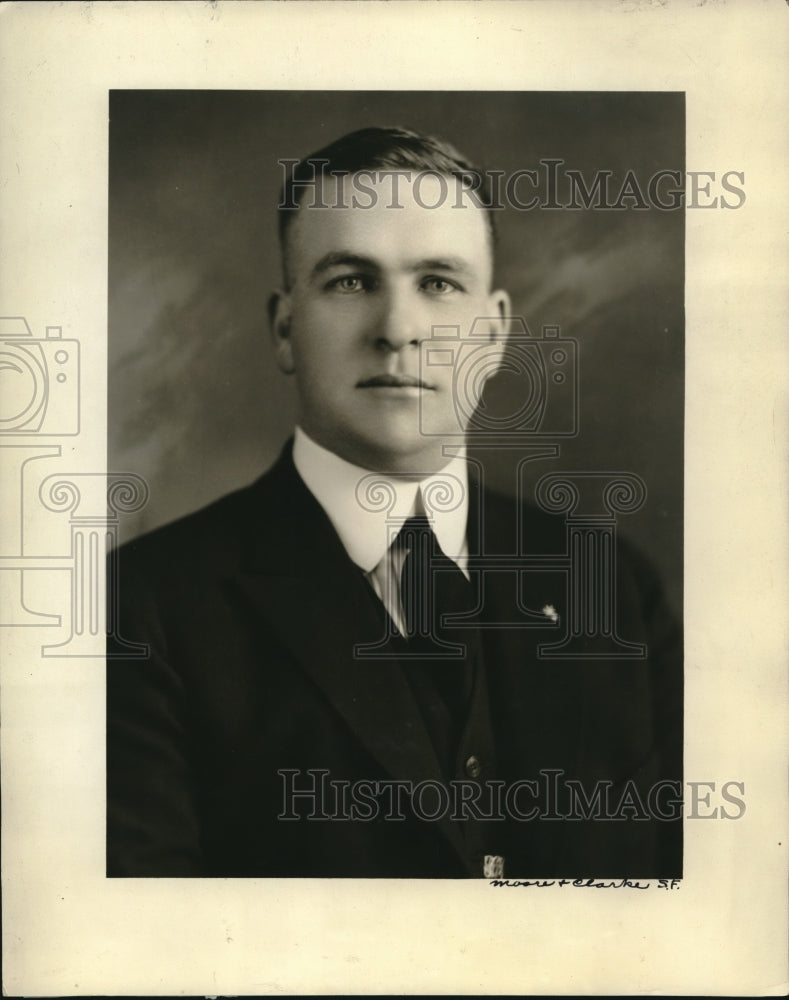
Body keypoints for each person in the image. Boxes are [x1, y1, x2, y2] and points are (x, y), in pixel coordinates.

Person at [107, 126, 682, 878]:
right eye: (349, 281)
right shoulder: (142, 608)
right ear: (285, 328)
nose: (398, 331)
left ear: (496, 329)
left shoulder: (612, 588)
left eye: (438, 283)